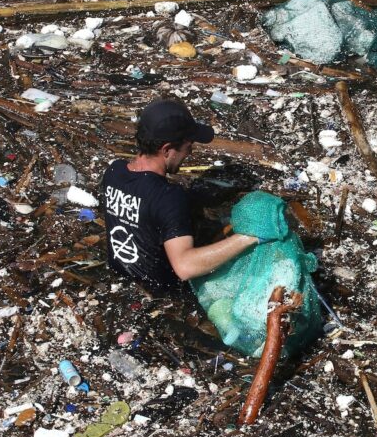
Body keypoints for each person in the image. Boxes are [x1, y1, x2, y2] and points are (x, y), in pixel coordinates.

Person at [101, 98, 260, 294]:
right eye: (188, 145)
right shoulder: (168, 196)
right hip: (160, 292)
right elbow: (185, 267)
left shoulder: (113, 172)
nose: (191, 151)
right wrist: (248, 238)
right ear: (167, 149)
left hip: (120, 278)